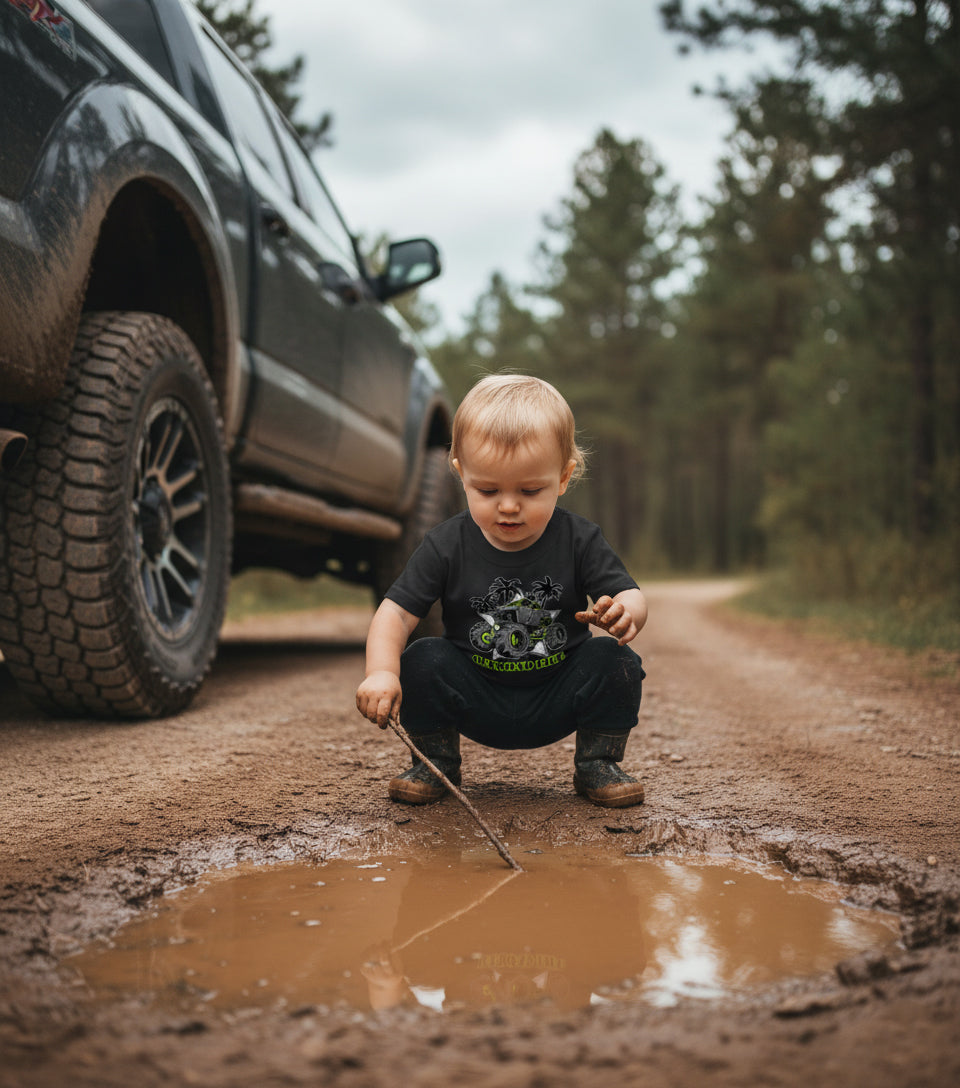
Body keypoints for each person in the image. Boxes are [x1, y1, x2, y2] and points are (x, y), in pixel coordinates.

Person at [355, 373, 648, 808]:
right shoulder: (445, 544)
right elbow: (395, 613)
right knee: (422, 657)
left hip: (557, 695)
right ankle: (434, 762)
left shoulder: (579, 540)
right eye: (487, 489)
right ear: (461, 475)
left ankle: (597, 764)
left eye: (530, 490)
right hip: (476, 697)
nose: (508, 506)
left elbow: (631, 595)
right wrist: (381, 671)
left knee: (616, 660)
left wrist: (625, 610)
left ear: (564, 477)